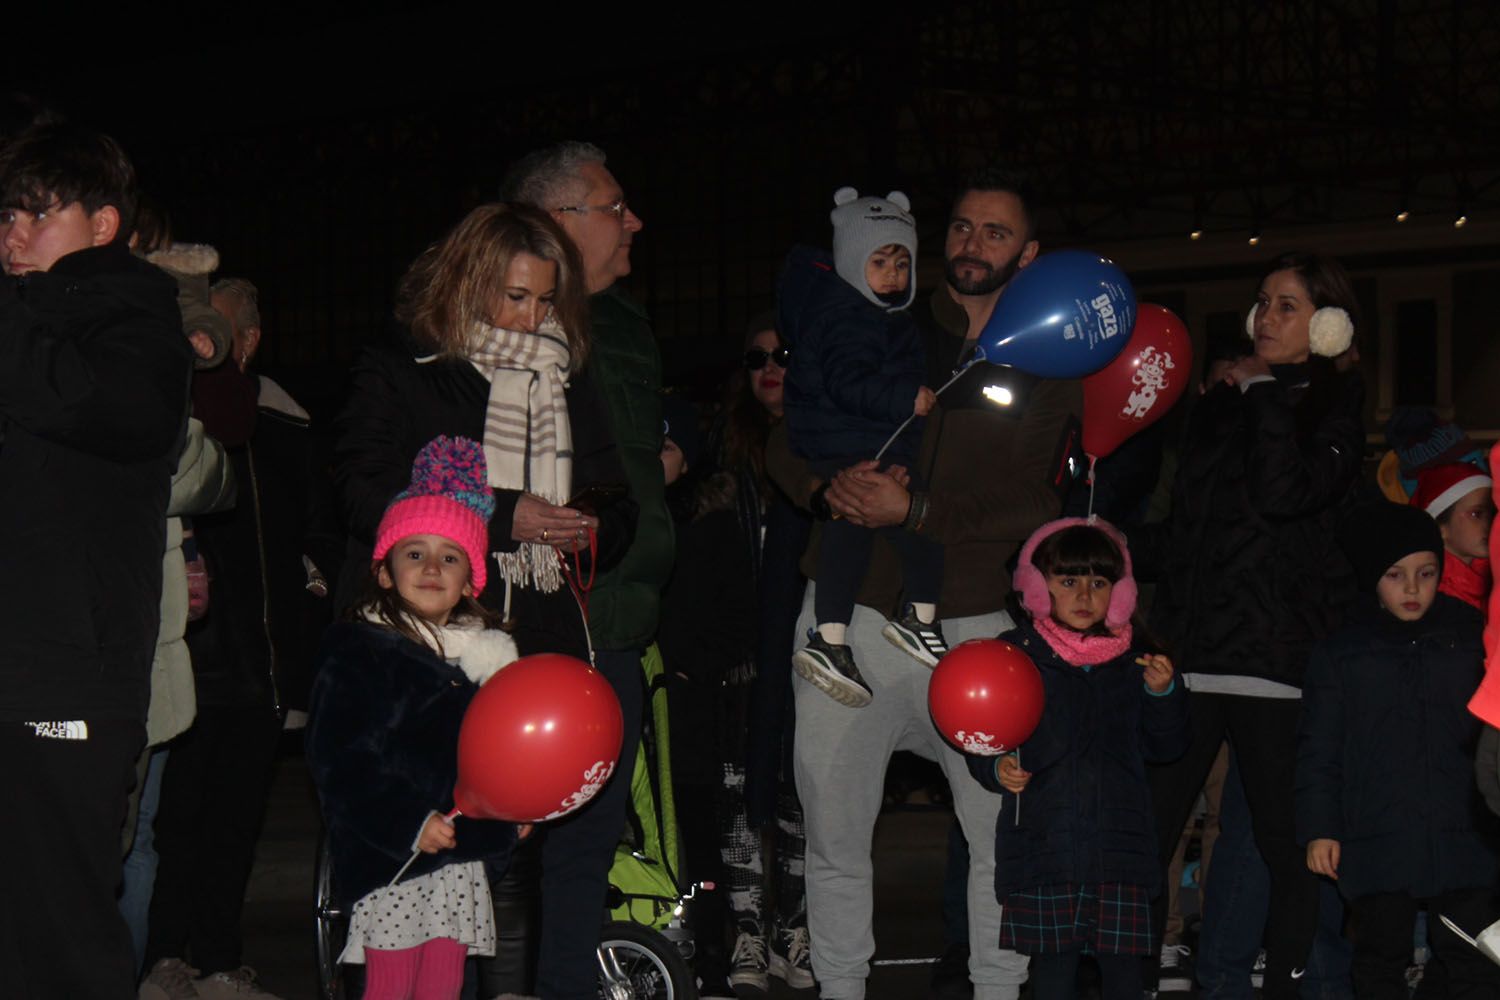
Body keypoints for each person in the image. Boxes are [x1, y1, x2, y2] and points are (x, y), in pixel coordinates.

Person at [767, 167, 1081, 1000]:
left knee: (998, 838)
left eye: (997, 232)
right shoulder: (884, 308)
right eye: (964, 227)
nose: (972, 244)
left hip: (976, 630)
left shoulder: (1049, 361)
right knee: (834, 836)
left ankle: (997, 991)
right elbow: (788, 428)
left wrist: (919, 510)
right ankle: (838, 988)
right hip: (850, 625)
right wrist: (817, 488)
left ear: (1031, 253)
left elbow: (1038, 498)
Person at [334, 200, 634, 999]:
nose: (533, 315)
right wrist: (503, 515)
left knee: (552, 847)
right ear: (466, 284)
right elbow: (363, 491)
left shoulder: (564, 369)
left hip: (541, 638)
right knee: (431, 863)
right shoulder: (405, 363)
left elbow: (616, 494)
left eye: (545, 299)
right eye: (514, 296)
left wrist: (590, 524)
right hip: (431, 648)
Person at [1133, 251, 1365, 999]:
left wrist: (1265, 391)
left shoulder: (1334, 409)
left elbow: (1284, 490)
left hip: (1273, 664)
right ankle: (1125, 974)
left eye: (1289, 305)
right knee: (1148, 832)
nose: (1267, 316)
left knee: (1280, 839)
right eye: (1263, 302)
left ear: (1329, 324)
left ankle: (1292, 979)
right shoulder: (1223, 403)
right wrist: (1111, 540)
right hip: (1193, 655)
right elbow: (1190, 529)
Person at [0, 122, 193, 998]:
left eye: (37, 215)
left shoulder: (138, 319)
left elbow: (84, 406)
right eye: (5, 216)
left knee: (64, 926)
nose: (13, 235)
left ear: (104, 225)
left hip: (69, 671)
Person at [503, 141, 674, 1000]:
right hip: (539, 623)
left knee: (586, 846)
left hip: (622, 627)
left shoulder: (629, 323)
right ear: (557, 223)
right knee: (491, 837)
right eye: (613, 205)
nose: (632, 220)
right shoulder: (515, 322)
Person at [144, 273, 331, 1000]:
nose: (205, 344)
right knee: (173, 826)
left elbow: (319, 530)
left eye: (221, 330)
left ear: (249, 341)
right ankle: (163, 960)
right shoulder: (175, 416)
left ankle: (219, 962)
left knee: (233, 827)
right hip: (190, 660)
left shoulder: (286, 425)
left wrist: (310, 585)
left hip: (264, 662)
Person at [309, 436, 524, 1000]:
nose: (432, 567)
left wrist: (516, 811)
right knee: (391, 984)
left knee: (444, 986)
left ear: (470, 581)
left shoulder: (487, 664)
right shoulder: (362, 650)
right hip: (393, 857)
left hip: (458, 858)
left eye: (449, 557)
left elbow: (500, 757)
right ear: (384, 572)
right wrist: (407, 821)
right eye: (414, 553)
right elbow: (341, 761)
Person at [968, 518, 1188, 1000]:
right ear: (1036, 588)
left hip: (1120, 852)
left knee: (1126, 978)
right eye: (1068, 581)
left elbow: (1167, 748)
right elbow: (982, 733)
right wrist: (995, 766)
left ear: (1123, 593)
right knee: (1051, 977)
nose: (1085, 595)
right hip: (1046, 847)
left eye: (1100, 582)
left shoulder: (1140, 662)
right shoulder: (1015, 657)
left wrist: (1163, 695)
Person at [1297, 501, 1500, 999]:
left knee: (1473, 963)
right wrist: (1321, 828)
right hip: (1378, 836)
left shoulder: (1473, 639)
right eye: (1395, 575)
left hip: (1465, 833)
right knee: (1379, 960)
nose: (1412, 589)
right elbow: (1320, 749)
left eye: (1426, 573)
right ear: (1371, 577)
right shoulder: (1342, 652)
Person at [781, 187, 947, 707]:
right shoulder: (847, 315)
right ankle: (842, 636)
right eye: (880, 262)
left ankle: (893, 623)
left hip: (867, 443)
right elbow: (847, 382)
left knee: (904, 528)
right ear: (854, 263)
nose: (894, 274)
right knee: (860, 525)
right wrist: (904, 400)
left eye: (902, 262)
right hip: (843, 442)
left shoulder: (883, 316)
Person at [1410, 462, 1493, 615]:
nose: (1491, 523)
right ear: (1440, 528)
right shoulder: (1430, 594)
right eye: (1476, 514)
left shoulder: (1489, 578)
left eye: (1493, 512)